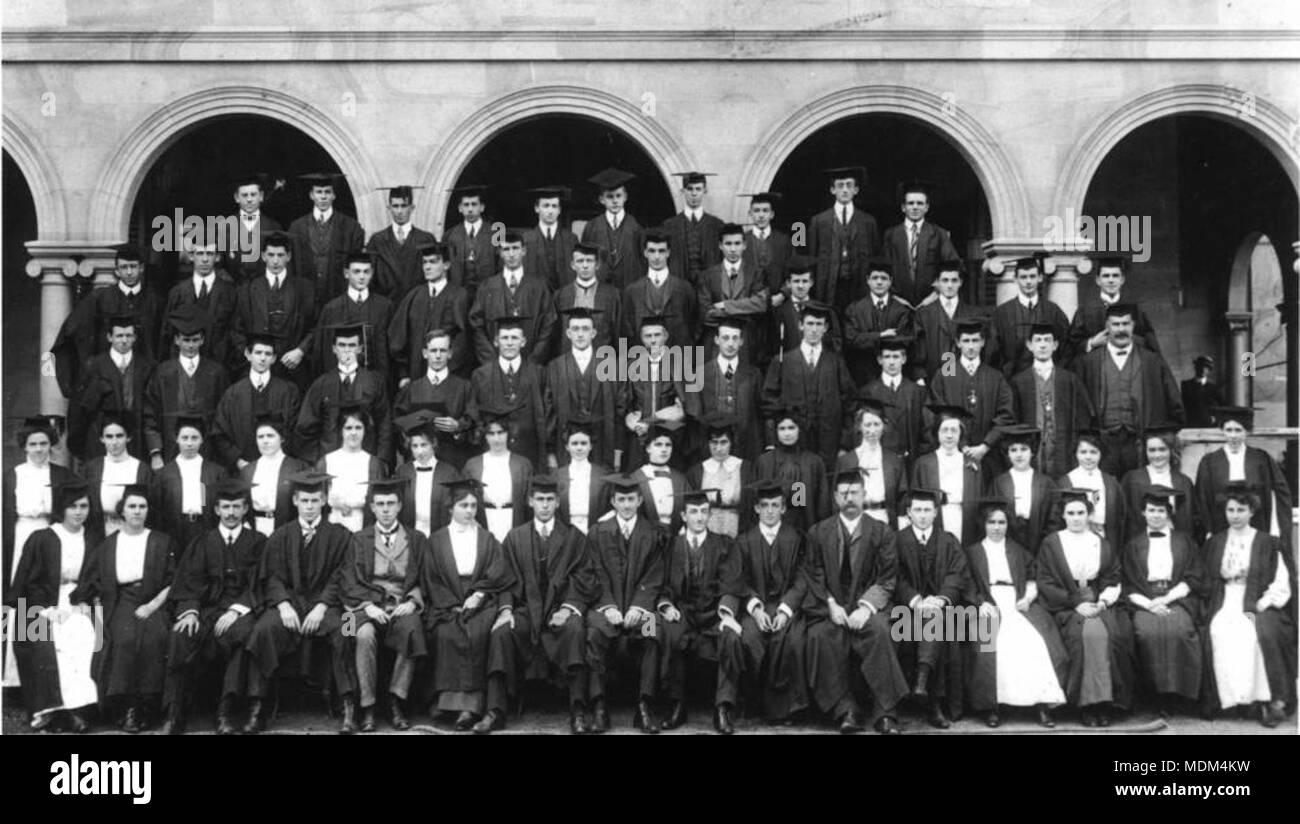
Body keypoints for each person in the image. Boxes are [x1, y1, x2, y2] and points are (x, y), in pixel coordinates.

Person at [242, 470, 355, 734]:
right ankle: (257, 706)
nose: (310, 506)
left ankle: (349, 706)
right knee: (261, 630)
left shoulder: (341, 535)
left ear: (324, 500)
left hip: (332, 606)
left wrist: (322, 606)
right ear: (295, 501)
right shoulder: (280, 536)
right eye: (304, 500)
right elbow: (270, 576)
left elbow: (343, 575)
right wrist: (282, 604)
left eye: (315, 500)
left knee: (349, 630)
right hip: (288, 604)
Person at [483, 475, 599, 734]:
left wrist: (568, 608)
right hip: (525, 611)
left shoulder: (574, 537)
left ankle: (578, 709)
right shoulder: (515, 537)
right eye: (540, 500)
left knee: (576, 631)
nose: (545, 505)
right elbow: (503, 578)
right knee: (501, 633)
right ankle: (496, 710)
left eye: (549, 500)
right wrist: (505, 610)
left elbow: (585, 577)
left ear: (558, 502)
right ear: (530, 502)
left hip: (562, 608)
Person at [802, 470, 908, 734]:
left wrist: (866, 607)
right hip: (832, 605)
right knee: (820, 635)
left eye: (855, 493)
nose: (849, 498)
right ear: (835, 497)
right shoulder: (818, 532)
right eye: (844, 493)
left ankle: (885, 713)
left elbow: (887, 577)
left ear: (864, 495)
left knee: (882, 631)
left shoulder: (881, 531)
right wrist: (829, 604)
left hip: (869, 605)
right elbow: (813, 574)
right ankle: (845, 710)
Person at [161, 478, 266, 735]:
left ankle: (225, 712)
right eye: (226, 507)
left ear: (244, 509)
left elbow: (260, 583)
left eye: (237, 507)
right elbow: (189, 580)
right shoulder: (202, 541)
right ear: (217, 509)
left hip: (241, 611)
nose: (231, 513)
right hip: (206, 610)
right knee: (181, 634)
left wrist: (236, 610)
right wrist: (190, 610)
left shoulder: (258, 541)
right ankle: (174, 713)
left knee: (242, 636)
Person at [72, 484, 177, 732]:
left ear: (148, 510)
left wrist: (152, 606)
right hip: (119, 600)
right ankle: (127, 706)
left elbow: (174, 581)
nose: (137, 511)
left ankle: (148, 706)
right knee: (123, 638)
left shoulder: (161, 541)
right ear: (122, 511)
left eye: (142, 506)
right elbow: (93, 581)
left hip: (154, 600)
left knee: (155, 637)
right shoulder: (109, 545)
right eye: (132, 506)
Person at [1036, 488, 1138, 726]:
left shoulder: (1100, 543)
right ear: (1063, 515)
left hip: (1098, 599)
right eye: (1070, 513)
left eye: (1081, 512)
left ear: (1089, 514)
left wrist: (1102, 602)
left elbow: (1113, 577)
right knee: (1083, 636)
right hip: (1065, 604)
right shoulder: (1052, 543)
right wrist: (1075, 603)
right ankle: (1085, 704)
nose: (1076, 518)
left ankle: (1106, 703)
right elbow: (1046, 582)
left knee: (1113, 635)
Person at [419, 477, 514, 730]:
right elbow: (431, 578)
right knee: (448, 632)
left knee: (478, 632)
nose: (470, 510)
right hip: (447, 602)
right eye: (464, 505)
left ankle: (471, 707)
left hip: (481, 600)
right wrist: (452, 604)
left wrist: (479, 594)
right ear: (451, 508)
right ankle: (447, 702)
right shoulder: (436, 540)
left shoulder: (487, 538)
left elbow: (497, 572)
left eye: (473, 505)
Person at [4, 481, 100, 732]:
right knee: (50, 638)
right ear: (61, 509)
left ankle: (77, 709)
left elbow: (95, 578)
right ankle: (55, 711)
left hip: (79, 599)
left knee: (84, 635)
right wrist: (45, 609)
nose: (79, 512)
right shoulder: (43, 538)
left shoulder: (92, 539)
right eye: (72, 507)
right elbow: (29, 581)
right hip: (44, 602)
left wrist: (84, 601)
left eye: (84, 506)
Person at [963, 498, 1066, 728]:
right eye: (992, 522)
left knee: (1035, 640)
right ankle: (992, 706)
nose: (997, 527)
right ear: (984, 524)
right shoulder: (972, 552)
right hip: (988, 602)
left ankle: (1042, 703)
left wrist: (1027, 598)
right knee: (991, 642)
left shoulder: (1018, 551)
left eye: (1001, 522)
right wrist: (980, 602)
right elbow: (966, 583)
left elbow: (1032, 577)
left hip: (1016, 600)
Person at [1201, 483, 1295, 727]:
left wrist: (1264, 602)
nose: (1235, 515)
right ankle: (1229, 700)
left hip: (1256, 603)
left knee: (1253, 632)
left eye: (1241, 510)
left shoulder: (1268, 542)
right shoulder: (1217, 542)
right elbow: (1204, 580)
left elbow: (1281, 581)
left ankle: (1264, 700)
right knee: (1217, 631)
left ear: (1252, 511)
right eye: (1230, 510)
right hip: (1224, 601)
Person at [339, 478, 429, 732]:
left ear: (400, 506)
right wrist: (367, 605)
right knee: (355, 633)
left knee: (413, 629)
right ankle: (365, 706)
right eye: (380, 504)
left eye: (391, 503)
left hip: (401, 604)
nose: (386, 509)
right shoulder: (358, 539)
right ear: (372, 507)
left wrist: (413, 600)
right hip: (357, 608)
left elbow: (426, 576)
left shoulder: (416, 538)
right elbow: (347, 580)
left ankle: (395, 700)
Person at [584, 473, 669, 733]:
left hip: (641, 609)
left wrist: (639, 607)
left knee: (652, 630)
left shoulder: (654, 534)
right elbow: (593, 572)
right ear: (613, 501)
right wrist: (608, 605)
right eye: (621, 499)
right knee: (594, 633)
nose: (627, 505)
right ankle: (599, 706)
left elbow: (656, 574)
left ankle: (644, 706)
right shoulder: (597, 533)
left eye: (631, 499)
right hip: (604, 607)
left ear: (640, 499)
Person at [656, 489, 745, 734]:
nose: (699, 517)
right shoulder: (671, 546)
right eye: (693, 512)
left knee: (731, 636)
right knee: (669, 630)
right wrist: (666, 605)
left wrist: (727, 615)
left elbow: (731, 584)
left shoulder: (724, 544)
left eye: (704, 512)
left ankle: (723, 707)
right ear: (683, 515)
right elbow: (661, 584)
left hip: (714, 613)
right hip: (683, 611)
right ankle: (677, 704)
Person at [3, 418, 77, 689]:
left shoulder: (60, 475)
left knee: (46, 597)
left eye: (44, 443)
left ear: (51, 445)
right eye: (33, 444)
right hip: (21, 537)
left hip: (50, 539)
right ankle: (16, 678)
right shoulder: (13, 475)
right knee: (21, 601)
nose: (38, 449)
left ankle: (49, 675)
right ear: (24, 446)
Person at [1073, 303, 1186, 478]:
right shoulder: (1089, 363)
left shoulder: (1152, 361)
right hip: (1103, 444)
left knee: (1138, 491)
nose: (1120, 330)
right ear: (1106, 327)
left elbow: (1173, 401)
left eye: (1125, 324)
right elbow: (1078, 405)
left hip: (1139, 443)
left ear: (1133, 326)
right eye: (1115, 324)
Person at [1121, 487, 1204, 719]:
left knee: (1179, 630)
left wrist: (1167, 598)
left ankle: (1179, 695)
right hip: (1143, 601)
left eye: (1160, 510)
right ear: (1143, 513)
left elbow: (1193, 576)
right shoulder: (1133, 545)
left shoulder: (1185, 542)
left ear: (1168, 514)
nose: (1155, 515)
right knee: (1148, 632)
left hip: (1177, 598)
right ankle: (1154, 696)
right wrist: (1150, 604)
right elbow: (1128, 582)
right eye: (1151, 510)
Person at [734, 479, 811, 724]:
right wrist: (756, 610)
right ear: (756, 508)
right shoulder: (744, 541)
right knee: (750, 638)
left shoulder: (797, 538)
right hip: (756, 608)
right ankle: (755, 702)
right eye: (764, 505)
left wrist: (785, 610)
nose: (769, 510)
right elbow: (740, 580)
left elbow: (802, 578)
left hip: (787, 608)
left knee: (792, 639)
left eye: (775, 505)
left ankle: (788, 709)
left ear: (784, 508)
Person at [893, 488, 969, 728]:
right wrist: (916, 600)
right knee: (928, 623)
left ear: (936, 512)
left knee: (937, 620)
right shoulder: (896, 541)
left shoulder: (948, 540)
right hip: (906, 609)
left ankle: (925, 689)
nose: (923, 515)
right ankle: (927, 695)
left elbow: (957, 574)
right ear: (908, 513)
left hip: (942, 608)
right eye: (918, 510)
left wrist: (941, 599)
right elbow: (894, 577)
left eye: (927, 510)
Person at [52, 244, 163, 396]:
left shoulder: (155, 301)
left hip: (143, 381)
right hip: (106, 380)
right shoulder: (99, 298)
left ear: (141, 268)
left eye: (133, 266)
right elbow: (74, 333)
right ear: (117, 271)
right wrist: (89, 368)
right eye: (124, 267)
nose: (129, 272)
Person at [761, 301, 857, 472]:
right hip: (794, 445)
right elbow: (769, 403)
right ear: (800, 325)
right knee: (798, 490)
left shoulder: (835, 362)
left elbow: (849, 403)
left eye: (819, 324)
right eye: (810, 323)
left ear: (826, 327)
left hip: (828, 444)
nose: (814, 329)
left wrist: (844, 443)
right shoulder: (783, 361)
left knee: (824, 489)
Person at [141, 307, 229, 468]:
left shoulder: (215, 372)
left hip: (207, 451)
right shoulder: (162, 372)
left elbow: (224, 416)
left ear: (202, 340)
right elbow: (150, 415)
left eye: (195, 340)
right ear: (177, 340)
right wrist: (156, 453)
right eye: (186, 340)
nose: (191, 345)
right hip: (170, 450)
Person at [925, 319, 1015, 477]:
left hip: (988, 457)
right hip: (952, 453)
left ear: (983, 342)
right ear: (958, 343)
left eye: (975, 340)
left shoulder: (995, 377)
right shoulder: (946, 373)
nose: (971, 346)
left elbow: (1006, 415)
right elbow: (936, 410)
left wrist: (986, 445)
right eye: (966, 341)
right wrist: (961, 445)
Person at [1193, 406, 1293, 548]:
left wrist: (1276, 529)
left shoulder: (1260, 459)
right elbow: (1201, 499)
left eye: (1238, 430)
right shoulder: (1209, 462)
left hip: (1256, 527)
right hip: (1221, 529)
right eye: (1229, 430)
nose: (1233, 436)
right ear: (1222, 431)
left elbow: (1279, 494)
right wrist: (1208, 530)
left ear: (1247, 431)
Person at [297, 323, 394, 467]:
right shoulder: (321, 384)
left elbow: (384, 424)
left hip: (367, 458)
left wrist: (381, 460)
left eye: (352, 345)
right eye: (342, 345)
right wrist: (318, 460)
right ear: (334, 349)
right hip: (330, 458)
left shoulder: (374, 382)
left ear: (360, 349)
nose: (347, 350)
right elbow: (306, 425)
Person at [231, 232, 317, 393]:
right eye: (271, 255)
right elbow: (236, 328)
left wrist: (300, 351)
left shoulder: (305, 288)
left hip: (293, 366)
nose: (275, 260)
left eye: (280, 255)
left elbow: (316, 326)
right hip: (258, 367)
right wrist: (251, 355)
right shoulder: (248, 289)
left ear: (289, 256)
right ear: (263, 256)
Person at [1010, 322, 1095, 479]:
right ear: (1029, 345)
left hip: (1063, 451)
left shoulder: (1069, 379)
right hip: (1033, 452)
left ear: (1055, 345)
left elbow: (1083, 418)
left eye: (1047, 340)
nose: (1042, 345)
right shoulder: (1019, 382)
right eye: (1038, 340)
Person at [65, 316, 155, 463]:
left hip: (137, 442)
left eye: (128, 335)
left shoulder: (147, 367)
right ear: (109, 337)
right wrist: (80, 447)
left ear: (135, 338)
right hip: (100, 441)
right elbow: (78, 410)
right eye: (119, 336)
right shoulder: (93, 366)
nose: (124, 340)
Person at [210, 332, 303, 472]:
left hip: (280, 469)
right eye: (258, 352)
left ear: (274, 358)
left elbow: (296, 430)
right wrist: (239, 461)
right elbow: (219, 433)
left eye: (268, 354)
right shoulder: (233, 394)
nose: (263, 358)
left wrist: (281, 460)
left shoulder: (288, 391)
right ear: (248, 355)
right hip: (242, 468)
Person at [544, 307, 623, 470]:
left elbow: (620, 409)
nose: (580, 334)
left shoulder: (610, 366)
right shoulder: (554, 367)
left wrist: (618, 450)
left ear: (593, 333)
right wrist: (550, 451)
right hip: (565, 447)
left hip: (603, 446)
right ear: (568, 333)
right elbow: (549, 412)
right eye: (575, 329)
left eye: (585, 329)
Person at [469, 231, 558, 367]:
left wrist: (534, 360)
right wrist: (492, 362)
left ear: (523, 251)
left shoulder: (539, 287)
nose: (511, 254)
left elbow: (548, 324)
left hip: (531, 364)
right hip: (495, 366)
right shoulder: (487, 287)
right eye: (506, 249)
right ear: (500, 252)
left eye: (515, 248)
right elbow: (477, 326)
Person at [393, 327, 478, 469]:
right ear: (425, 353)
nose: (438, 356)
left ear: (450, 353)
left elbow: (475, 422)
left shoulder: (464, 388)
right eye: (433, 351)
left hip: (452, 461)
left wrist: (458, 426)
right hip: (418, 463)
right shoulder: (411, 389)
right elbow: (398, 426)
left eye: (443, 350)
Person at [469, 317, 549, 468]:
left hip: (529, 453)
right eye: (505, 338)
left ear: (523, 341)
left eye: (514, 338)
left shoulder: (538, 373)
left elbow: (547, 414)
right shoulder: (481, 375)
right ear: (496, 341)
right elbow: (475, 417)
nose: (510, 343)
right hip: (493, 454)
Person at [684, 318, 766, 464]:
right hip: (710, 449)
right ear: (716, 340)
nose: (730, 343)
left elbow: (761, 413)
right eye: (725, 338)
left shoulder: (754, 374)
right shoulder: (698, 374)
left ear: (741, 341)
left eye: (735, 338)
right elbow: (694, 417)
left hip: (746, 449)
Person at [387, 243, 472, 383]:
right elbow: (398, 336)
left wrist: (448, 371)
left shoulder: (459, 296)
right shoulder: (414, 296)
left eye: (433, 262)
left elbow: (464, 341)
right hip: (416, 375)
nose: (427, 267)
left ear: (446, 265)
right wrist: (404, 373)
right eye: (424, 262)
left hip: (448, 377)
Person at [151, 414, 227, 557]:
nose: (189, 443)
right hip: (176, 530)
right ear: (177, 439)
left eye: (194, 438)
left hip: (206, 527)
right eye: (185, 438)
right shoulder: (164, 474)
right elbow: (158, 511)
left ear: (202, 440)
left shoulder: (215, 472)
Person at [1065, 253, 1161, 366]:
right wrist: (1091, 343)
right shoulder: (1085, 312)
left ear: (1122, 280)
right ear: (1097, 280)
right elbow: (1071, 347)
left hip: (1129, 367)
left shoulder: (1135, 309)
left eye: (1115, 276)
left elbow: (1149, 344)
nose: (1111, 280)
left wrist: (1125, 337)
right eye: (1106, 276)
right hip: (1096, 369)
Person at [287, 171, 366, 309]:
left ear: (334, 195)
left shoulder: (350, 227)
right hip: (305, 302)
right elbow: (291, 267)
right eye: (319, 192)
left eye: (327, 192)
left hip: (339, 300)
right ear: (311, 195)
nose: (323, 196)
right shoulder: (297, 227)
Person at [307, 252, 393, 378]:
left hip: (376, 380)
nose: (362, 276)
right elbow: (321, 352)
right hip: (339, 381)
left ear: (372, 273)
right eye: (356, 272)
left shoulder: (385, 307)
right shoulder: (332, 309)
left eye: (366, 272)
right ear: (346, 273)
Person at [881, 180, 962, 308]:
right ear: (903, 207)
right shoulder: (891, 235)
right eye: (910, 203)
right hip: (898, 303)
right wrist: (895, 297)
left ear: (926, 207)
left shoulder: (938, 234)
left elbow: (953, 266)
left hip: (932, 302)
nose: (915, 207)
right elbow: (883, 269)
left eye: (920, 203)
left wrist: (935, 294)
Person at [989, 255, 1071, 381]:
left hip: (1047, 381)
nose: (1028, 281)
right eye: (1023, 277)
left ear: (1040, 278)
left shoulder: (1053, 311)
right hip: (1011, 383)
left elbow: (1066, 349)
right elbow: (993, 354)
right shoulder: (1002, 314)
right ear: (1015, 279)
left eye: (1032, 276)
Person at [807, 166, 879, 310]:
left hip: (858, 286)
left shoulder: (868, 221)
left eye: (849, 185)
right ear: (832, 190)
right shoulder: (819, 221)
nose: (845, 190)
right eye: (840, 186)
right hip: (829, 286)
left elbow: (875, 256)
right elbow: (812, 257)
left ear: (856, 190)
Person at [462, 404, 535, 543]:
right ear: (485, 436)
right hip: (483, 522)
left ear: (509, 433)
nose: (496, 439)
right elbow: (463, 499)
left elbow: (529, 504)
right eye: (491, 433)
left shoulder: (523, 464)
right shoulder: (473, 465)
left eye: (501, 432)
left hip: (514, 520)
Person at [912, 405, 984, 546]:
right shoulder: (924, 463)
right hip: (935, 519)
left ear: (961, 434)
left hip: (964, 519)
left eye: (954, 430)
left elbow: (980, 499)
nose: (949, 435)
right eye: (944, 430)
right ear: (937, 433)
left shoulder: (972, 464)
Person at [161, 240, 238, 368]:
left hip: (219, 366)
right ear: (191, 256)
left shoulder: (229, 293)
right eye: (200, 253)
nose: (205, 259)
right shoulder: (178, 292)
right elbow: (166, 333)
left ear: (217, 257)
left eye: (210, 254)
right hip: (182, 366)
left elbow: (235, 332)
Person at [695, 223, 770, 354]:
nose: (733, 249)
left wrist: (726, 305)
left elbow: (761, 305)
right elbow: (706, 314)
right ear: (720, 246)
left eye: (737, 243)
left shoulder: (756, 273)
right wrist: (745, 311)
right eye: (728, 244)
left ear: (744, 245)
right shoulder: (707, 275)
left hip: (746, 343)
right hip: (715, 344)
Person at [621, 232, 700, 354]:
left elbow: (693, 323)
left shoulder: (684, 288)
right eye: (652, 251)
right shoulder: (633, 291)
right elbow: (628, 329)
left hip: (678, 359)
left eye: (661, 251)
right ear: (645, 253)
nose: (657, 256)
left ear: (668, 253)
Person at [1120, 425, 1200, 545]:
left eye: (1162, 449)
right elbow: (1125, 519)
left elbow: (1190, 520)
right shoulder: (1132, 479)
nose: (1157, 455)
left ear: (1171, 450)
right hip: (1141, 545)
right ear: (1145, 451)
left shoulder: (1183, 482)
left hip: (1175, 544)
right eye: (1152, 450)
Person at [843, 256, 916, 385]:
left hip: (894, 375)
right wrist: (881, 335)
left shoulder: (902, 310)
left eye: (884, 278)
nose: (879, 282)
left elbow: (904, 340)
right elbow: (852, 340)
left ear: (890, 281)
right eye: (875, 278)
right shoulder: (854, 309)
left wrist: (866, 338)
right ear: (868, 280)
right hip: (863, 375)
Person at [754, 410, 830, 533]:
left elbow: (822, 503)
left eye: (791, 428)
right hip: (773, 528)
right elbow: (756, 499)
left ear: (799, 430)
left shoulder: (813, 462)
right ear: (776, 432)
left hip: (804, 525)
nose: (787, 433)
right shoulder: (765, 462)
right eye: (782, 429)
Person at [837, 398, 909, 527]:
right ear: (859, 426)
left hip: (883, 518)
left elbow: (902, 496)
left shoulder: (894, 461)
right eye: (867, 425)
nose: (872, 430)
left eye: (876, 424)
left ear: (884, 426)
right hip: (854, 520)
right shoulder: (846, 461)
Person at [317, 406, 388, 533]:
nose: (353, 433)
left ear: (365, 430)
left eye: (358, 427)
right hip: (333, 524)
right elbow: (319, 499)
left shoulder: (374, 464)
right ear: (341, 430)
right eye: (348, 428)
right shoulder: (327, 461)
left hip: (363, 525)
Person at [856, 337, 927, 465]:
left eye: (896, 357)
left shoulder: (917, 392)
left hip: (910, 461)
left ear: (904, 359)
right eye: (887, 357)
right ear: (880, 360)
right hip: (879, 463)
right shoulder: (868, 392)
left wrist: (919, 457)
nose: (892, 362)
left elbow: (926, 430)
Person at [989, 425, 1058, 553]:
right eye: (1013, 450)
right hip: (1008, 541)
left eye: (1024, 449)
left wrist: (1045, 543)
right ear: (1007, 453)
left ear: (1032, 452)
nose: (1019, 454)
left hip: (1038, 541)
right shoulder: (999, 483)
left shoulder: (1045, 482)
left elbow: (1053, 518)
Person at [910, 258, 979, 386]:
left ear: (961, 283)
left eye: (954, 280)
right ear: (937, 283)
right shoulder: (924, 315)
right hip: (932, 381)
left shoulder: (973, 314)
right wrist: (920, 379)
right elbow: (918, 352)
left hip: (965, 382)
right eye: (945, 280)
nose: (949, 285)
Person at [392, 411, 461, 538]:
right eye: (415, 446)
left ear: (433, 444)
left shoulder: (449, 472)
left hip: (442, 537)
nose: (420, 451)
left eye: (424, 445)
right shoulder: (403, 472)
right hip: (410, 537)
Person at [239, 413, 309, 537]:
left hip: (287, 531)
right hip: (254, 530)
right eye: (260, 437)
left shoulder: (297, 468)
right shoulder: (247, 471)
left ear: (281, 438)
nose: (265, 441)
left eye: (270, 436)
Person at [82, 416, 152, 538]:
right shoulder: (92, 469)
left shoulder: (142, 470)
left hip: (133, 535)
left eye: (119, 436)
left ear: (128, 437)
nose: (114, 442)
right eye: (109, 437)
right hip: (99, 536)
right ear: (102, 439)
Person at [686, 415, 754, 538]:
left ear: (731, 443)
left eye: (723, 442)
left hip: (737, 529)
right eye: (714, 442)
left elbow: (751, 505)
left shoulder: (745, 468)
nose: (718, 448)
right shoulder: (697, 471)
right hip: (707, 530)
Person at [365, 185, 438, 298]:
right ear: (389, 208)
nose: (399, 211)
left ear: (412, 208)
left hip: (417, 304)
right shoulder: (377, 240)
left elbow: (435, 277)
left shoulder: (426, 239)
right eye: (395, 206)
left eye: (404, 206)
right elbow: (369, 278)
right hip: (386, 305)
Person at [1058, 430, 1126, 552]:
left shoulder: (1111, 483)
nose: (1088, 457)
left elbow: (1120, 516)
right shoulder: (1066, 482)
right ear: (1076, 454)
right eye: (1083, 452)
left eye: (1093, 452)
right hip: (1074, 540)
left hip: (1104, 538)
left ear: (1101, 454)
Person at [580, 168, 646, 291]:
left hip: (629, 289)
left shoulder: (636, 227)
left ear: (625, 197)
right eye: (610, 197)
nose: (615, 201)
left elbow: (643, 263)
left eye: (618, 196)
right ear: (601, 199)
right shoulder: (592, 226)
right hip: (600, 290)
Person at [553, 243, 622, 353]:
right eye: (580, 261)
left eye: (589, 260)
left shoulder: (612, 295)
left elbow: (619, 333)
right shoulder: (561, 295)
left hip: (603, 360)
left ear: (597, 264)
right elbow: (556, 336)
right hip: (568, 361)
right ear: (573, 265)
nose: (585, 266)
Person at [659, 171, 724, 287]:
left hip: (709, 287)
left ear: (705, 191)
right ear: (683, 191)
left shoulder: (717, 225)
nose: (694, 193)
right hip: (679, 287)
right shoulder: (669, 226)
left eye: (698, 189)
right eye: (690, 189)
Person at [769, 256, 843, 358]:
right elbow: (773, 348)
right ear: (788, 283)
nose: (800, 286)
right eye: (796, 281)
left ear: (811, 283)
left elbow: (836, 346)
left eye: (804, 281)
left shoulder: (825, 311)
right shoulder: (778, 313)